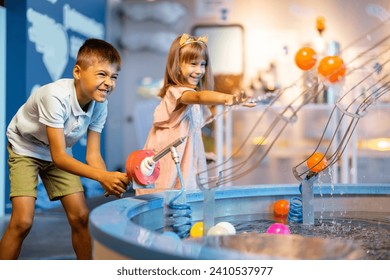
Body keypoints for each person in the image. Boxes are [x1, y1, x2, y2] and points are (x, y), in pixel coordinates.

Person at [0, 38, 129, 260]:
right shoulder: (55, 96)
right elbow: (59, 157)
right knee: (22, 221)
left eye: (114, 77)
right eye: (102, 74)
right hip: (26, 148)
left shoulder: (100, 104)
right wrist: (103, 176)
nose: (109, 83)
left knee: (80, 216)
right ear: (78, 72)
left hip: (57, 151)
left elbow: (93, 154)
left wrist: (107, 178)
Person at [136, 33, 253, 195]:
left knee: (183, 201)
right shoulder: (176, 93)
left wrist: (199, 154)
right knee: (164, 198)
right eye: (193, 64)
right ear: (177, 65)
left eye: (202, 64)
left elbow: (187, 135)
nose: (199, 71)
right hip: (165, 168)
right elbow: (198, 96)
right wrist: (229, 98)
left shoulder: (194, 104)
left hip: (181, 167)